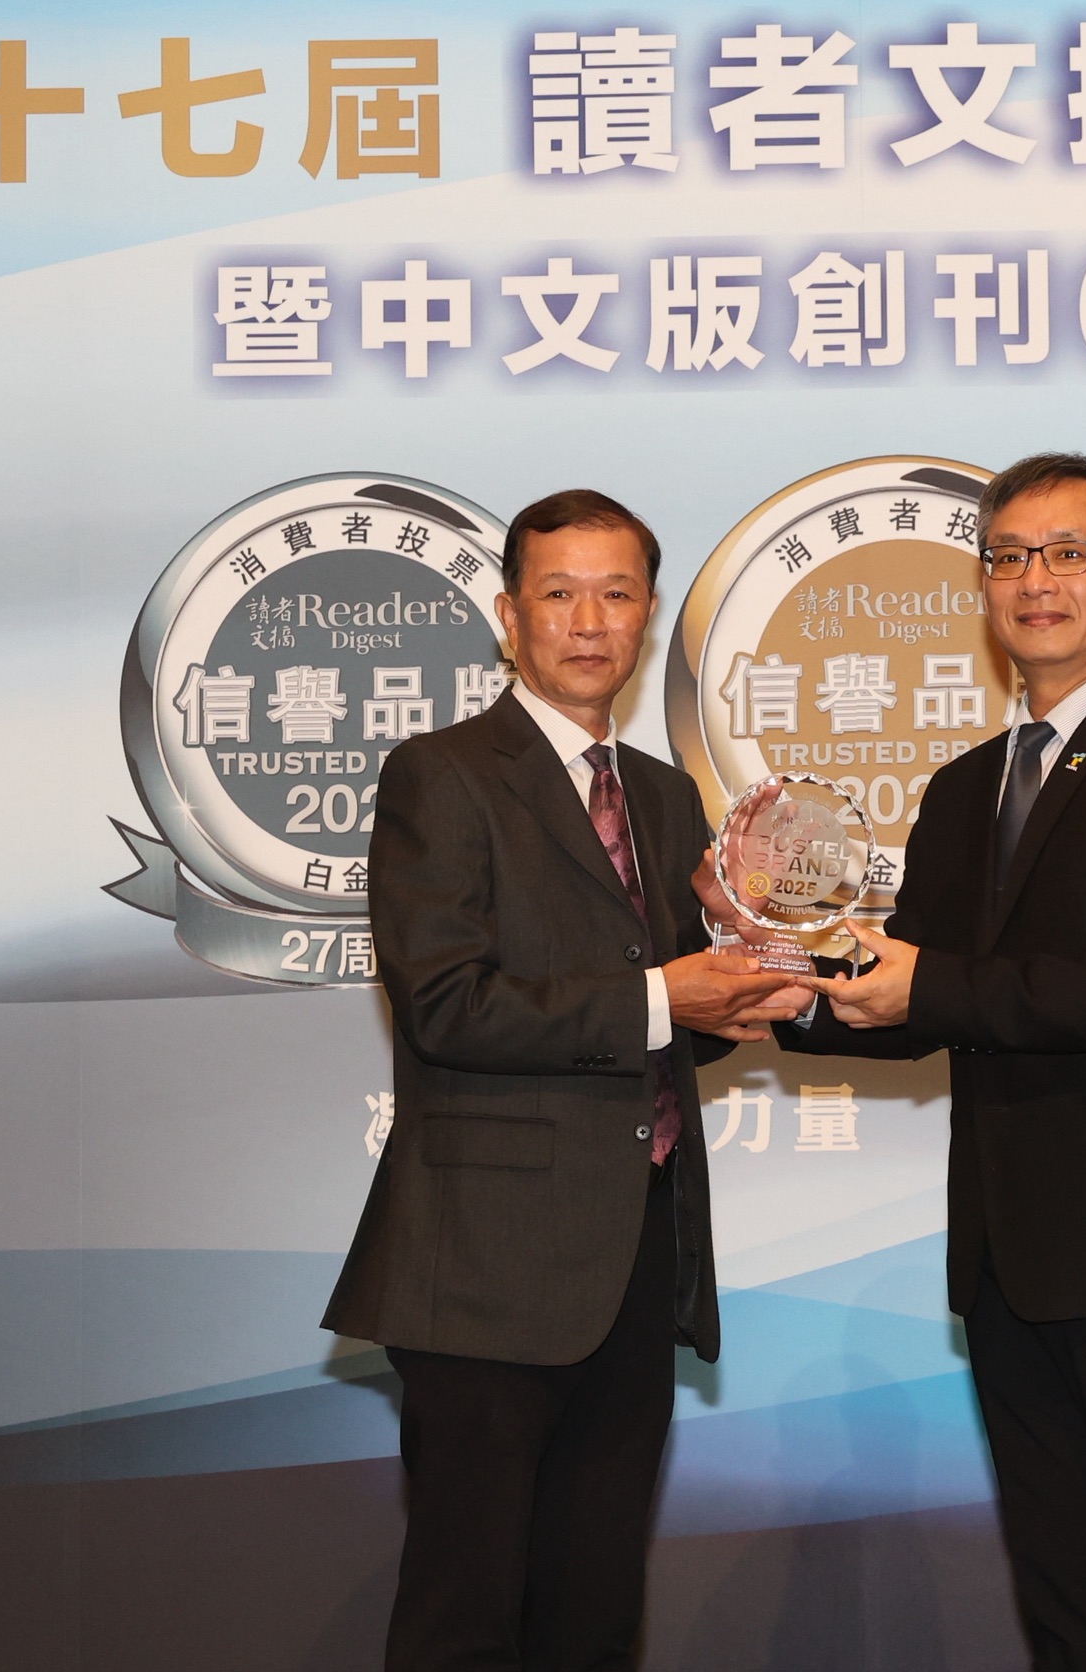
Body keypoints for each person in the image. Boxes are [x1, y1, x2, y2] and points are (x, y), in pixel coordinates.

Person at [772, 453, 1086, 1671]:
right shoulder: (964, 788)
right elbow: (917, 992)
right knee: (1069, 1603)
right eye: (1006, 557)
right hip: (1009, 1258)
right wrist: (784, 985)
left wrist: (928, 983)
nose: (1034, 580)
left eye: (1067, 553)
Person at [322, 489, 804, 1672]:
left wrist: (748, 991)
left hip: (635, 1255)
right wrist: (666, 998)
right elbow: (448, 1006)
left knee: (593, 1613)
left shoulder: (663, 794)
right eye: (559, 593)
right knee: (467, 1615)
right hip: (483, 1267)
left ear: (648, 613)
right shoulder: (441, 773)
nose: (590, 621)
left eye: (617, 593)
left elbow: (666, 1025)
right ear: (509, 615)